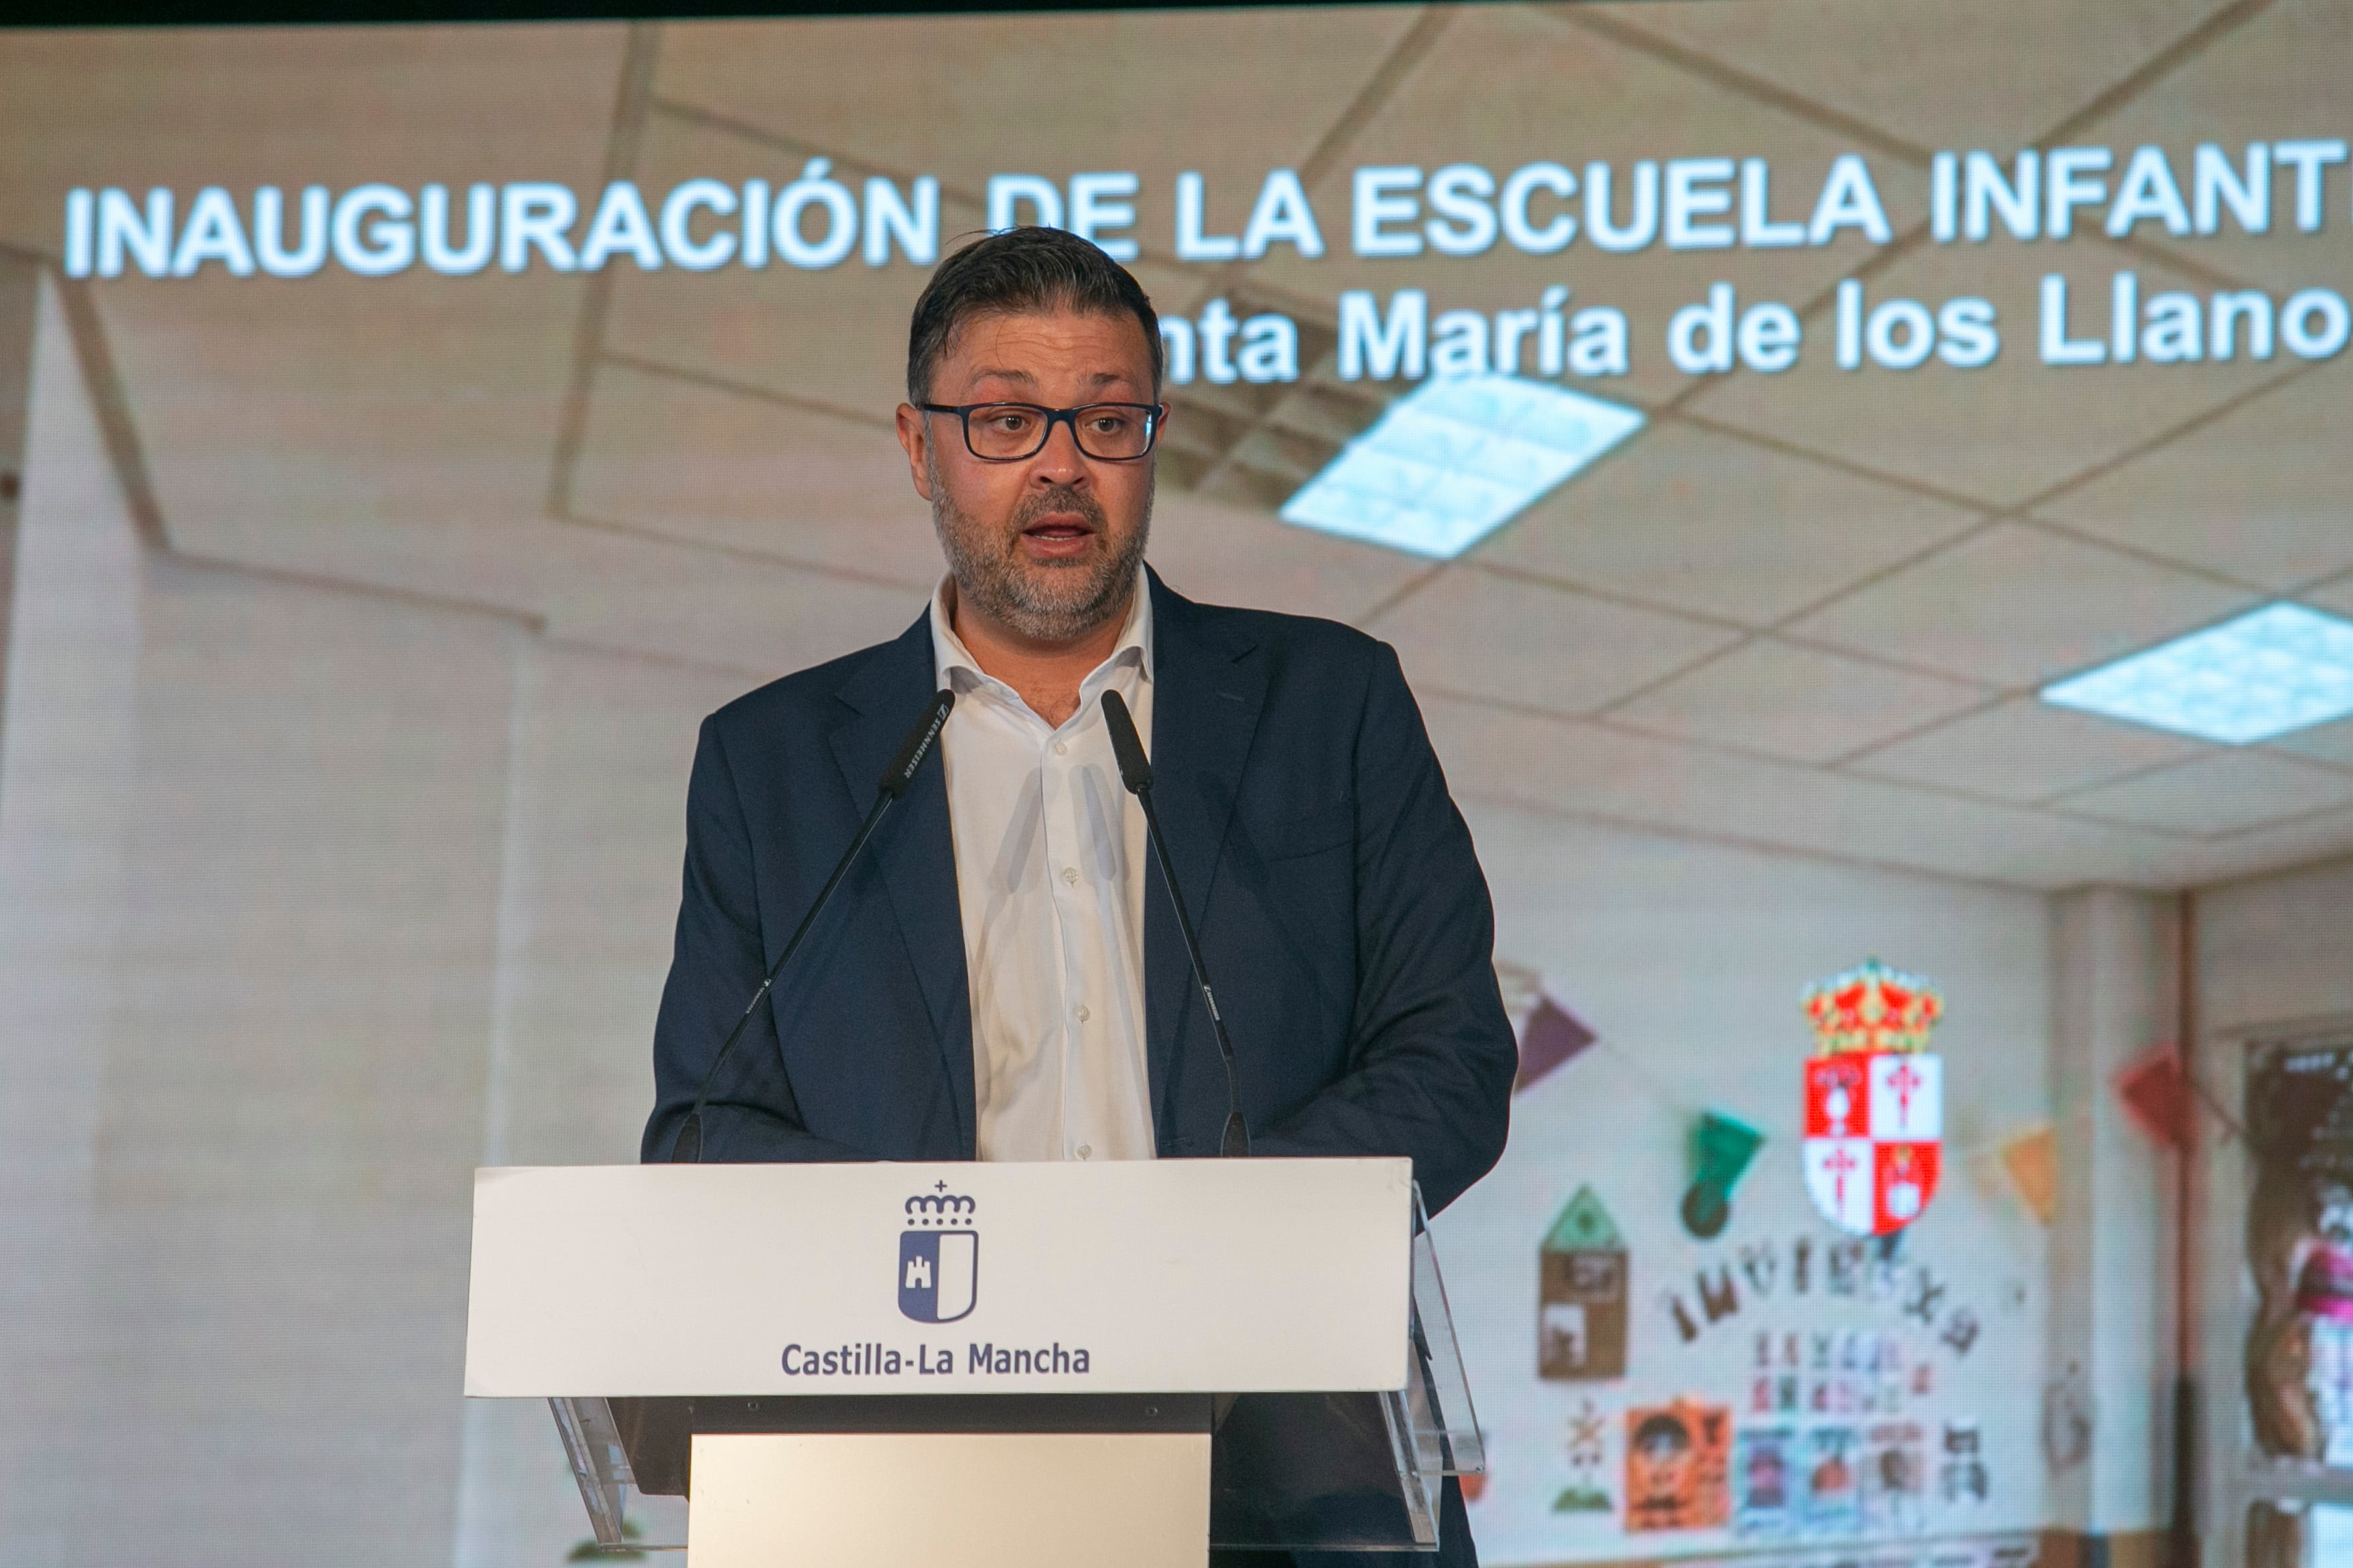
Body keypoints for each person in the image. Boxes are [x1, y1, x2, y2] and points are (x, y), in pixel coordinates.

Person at [643, 225, 1516, 1565]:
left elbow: (1449, 1060)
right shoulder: (774, 764)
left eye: (1106, 420)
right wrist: (960, 1271)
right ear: (918, 445)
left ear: (1150, 442)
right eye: (1004, 420)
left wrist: (1184, 1256)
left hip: (1287, 1474)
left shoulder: (1329, 705)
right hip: (911, 1480)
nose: (1060, 463)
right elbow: (706, 1130)